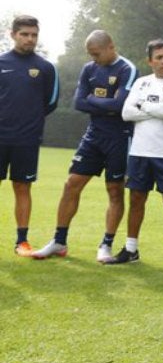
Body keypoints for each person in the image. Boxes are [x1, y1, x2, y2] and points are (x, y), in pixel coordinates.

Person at [33, 30, 137, 262]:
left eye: (96, 54)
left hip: (119, 137)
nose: (93, 59)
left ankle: (106, 245)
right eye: (90, 54)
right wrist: (103, 104)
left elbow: (120, 105)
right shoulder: (89, 69)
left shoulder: (127, 69)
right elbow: (78, 102)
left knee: (115, 190)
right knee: (71, 184)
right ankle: (59, 241)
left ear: (111, 46)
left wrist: (93, 100)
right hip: (93, 135)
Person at [107, 39, 163, 269]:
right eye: (159, 57)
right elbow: (125, 112)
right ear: (150, 60)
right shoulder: (141, 83)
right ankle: (131, 249)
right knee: (136, 199)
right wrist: (158, 108)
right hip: (140, 152)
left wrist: (145, 107)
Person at [0, 15, 59, 257]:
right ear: (12, 34)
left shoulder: (45, 68)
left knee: (22, 187)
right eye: (24, 34)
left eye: (34, 35)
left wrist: (29, 121)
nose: (30, 39)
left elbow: (51, 102)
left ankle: (22, 241)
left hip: (27, 139)